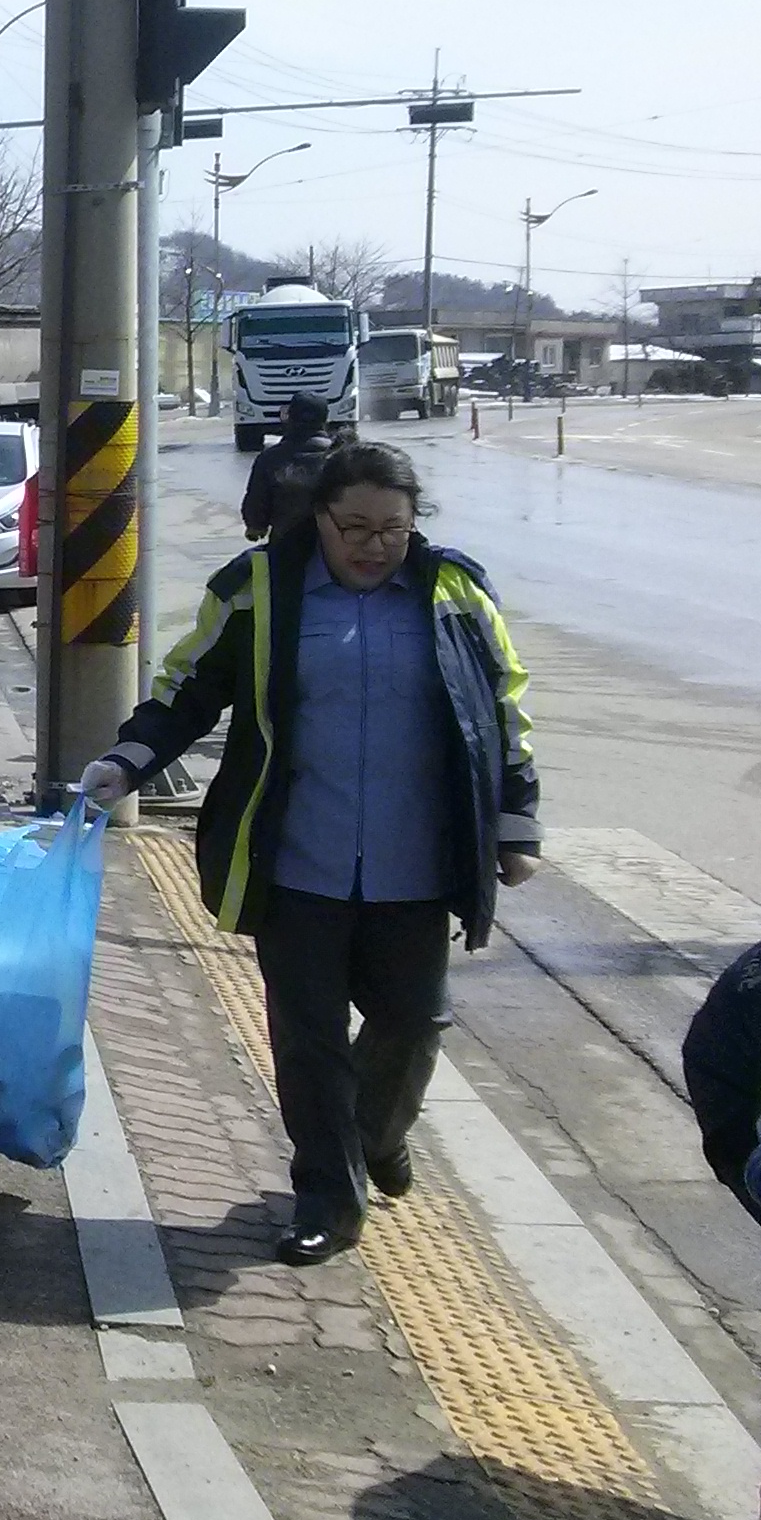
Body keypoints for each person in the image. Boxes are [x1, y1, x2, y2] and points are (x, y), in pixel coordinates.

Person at [82, 439, 542, 1265]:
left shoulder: (453, 591)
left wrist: (518, 820)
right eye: (354, 527)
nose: (373, 546)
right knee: (309, 1041)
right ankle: (328, 1198)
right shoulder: (256, 588)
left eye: (392, 529)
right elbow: (188, 688)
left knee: (414, 1022)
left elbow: (501, 705)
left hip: (415, 863)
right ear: (319, 518)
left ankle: (374, 1137)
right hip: (296, 860)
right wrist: (128, 761)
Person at [240, 394, 334, 543]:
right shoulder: (343, 456)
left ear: (289, 417)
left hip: (285, 545)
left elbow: (256, 507)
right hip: (338, 545)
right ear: (325, 419)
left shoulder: (269, 458)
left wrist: (256, 527)